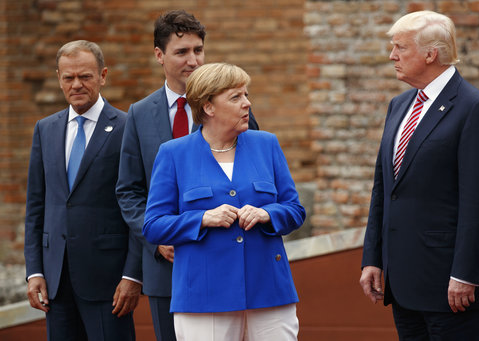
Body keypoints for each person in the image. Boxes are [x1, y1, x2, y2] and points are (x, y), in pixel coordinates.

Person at [359, 10, 479, 340]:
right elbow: (385, 188)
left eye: (400, 47)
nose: (392, 55)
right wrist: (372, 257)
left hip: (453, 288)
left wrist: (466, 273)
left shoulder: (475, 108)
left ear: (431, 54)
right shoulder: (399, 105)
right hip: (403, 285)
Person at [116, 10, 259, 341]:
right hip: (166, 267)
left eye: (198, 50)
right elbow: (129, 191)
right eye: (181, 52)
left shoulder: (234, 107)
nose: (193, 60)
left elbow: (253, 177)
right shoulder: (138, 114)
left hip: (225, 259)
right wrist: (158, 239)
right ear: (159, 56)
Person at [142, 62, 304, 340]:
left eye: (246, 95)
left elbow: (295, 210)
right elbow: (154, 225)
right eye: (236, 97)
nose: (247, 104)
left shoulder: (267, 144)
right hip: (204, 295)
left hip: (268, 289)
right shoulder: (174, 154)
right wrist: (204, 218)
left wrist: (267, 214)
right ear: (208, 106)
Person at [24, 40, 142, 340]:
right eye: (68, 77)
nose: (76, 84)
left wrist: (132, 274)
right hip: (56, 282)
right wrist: (35, 271)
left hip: (109, 282)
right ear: (59, 79)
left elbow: (137, 204)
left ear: (102, 75)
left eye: (85, 76)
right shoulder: (45, 129)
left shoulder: (127, 127)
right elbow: (37, 206)